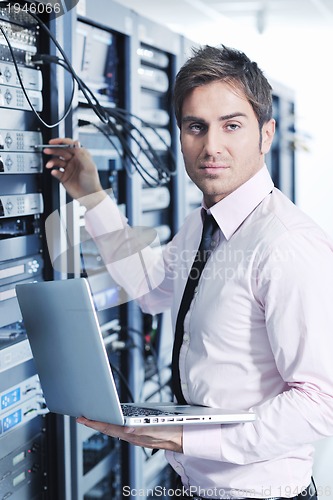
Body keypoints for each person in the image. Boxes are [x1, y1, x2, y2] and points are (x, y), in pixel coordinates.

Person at [44, 45, 333, 500]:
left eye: (232, 126)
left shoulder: (288, 245)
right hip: (193, 486)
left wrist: (182, 436)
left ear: (266, 134)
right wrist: (92, 196)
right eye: (196, 127)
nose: (211, 146)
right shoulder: (204, 225)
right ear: (181, 135)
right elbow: (153, 287)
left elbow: (322, 402)